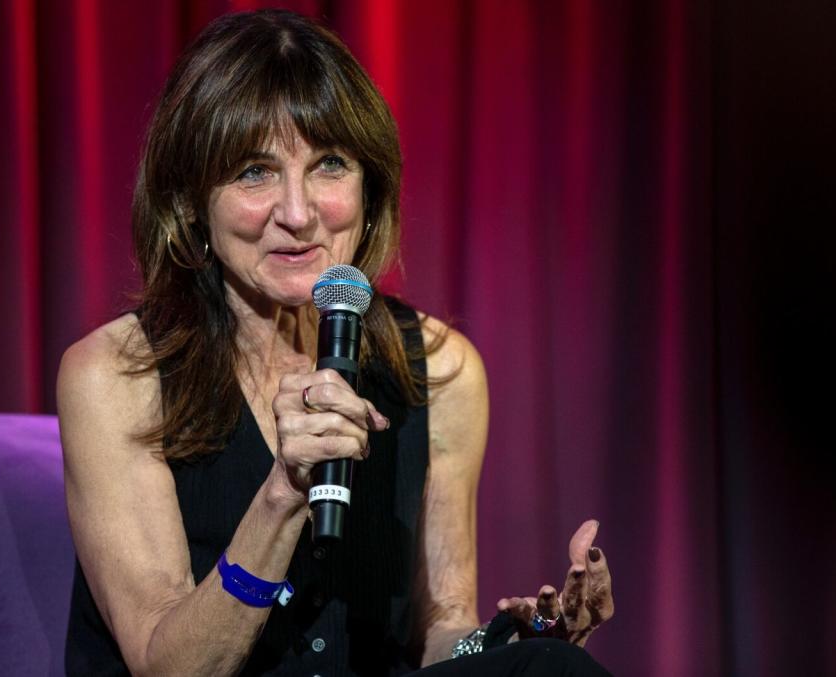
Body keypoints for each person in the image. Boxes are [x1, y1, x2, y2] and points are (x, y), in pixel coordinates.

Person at [58, 9, 613, 676]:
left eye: (328, 165)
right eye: (254, 172)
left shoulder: (438, 369)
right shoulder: (117, 375)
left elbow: (437, 639)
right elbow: (168, 665)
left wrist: (515, 638)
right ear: (190, 202)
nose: (297, 213)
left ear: (368, 188)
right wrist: (282, 494)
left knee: (548, 668)